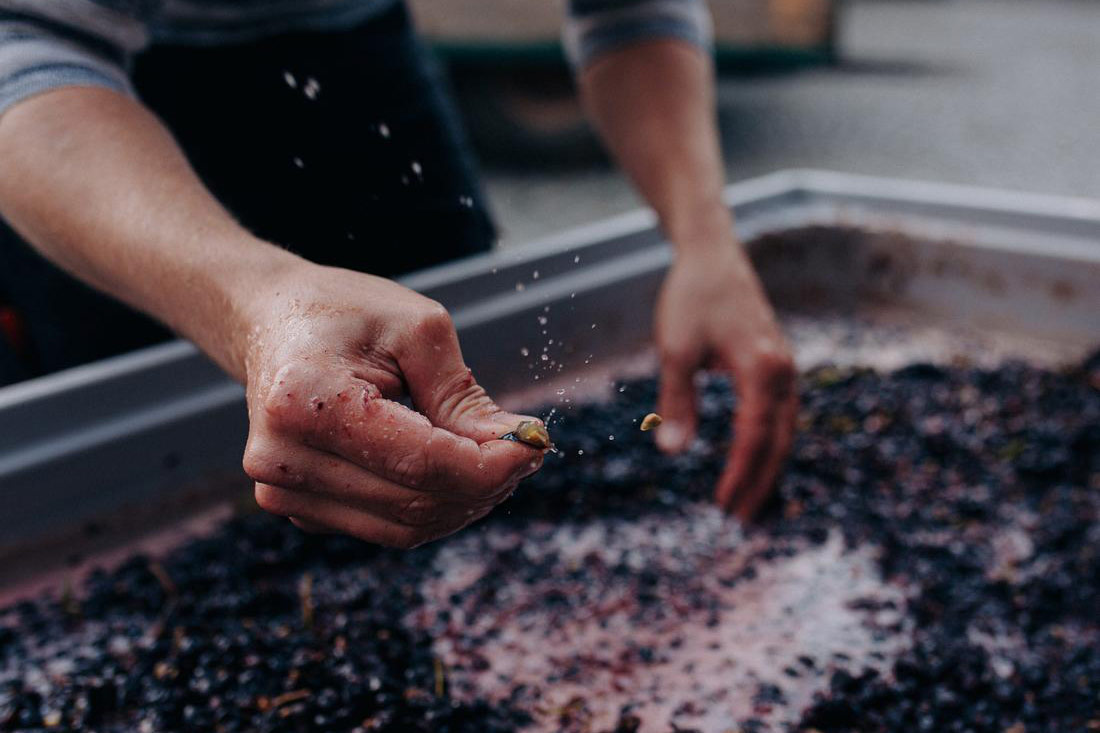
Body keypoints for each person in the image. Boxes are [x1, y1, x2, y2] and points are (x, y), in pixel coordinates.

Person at [0, 0, 796, 546]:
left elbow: (629, 11)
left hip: (354, 37)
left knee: (430, 435)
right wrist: (255, 303)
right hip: (84, 110)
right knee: (137, 461)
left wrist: (703, 241)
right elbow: (23, 39)